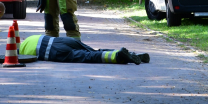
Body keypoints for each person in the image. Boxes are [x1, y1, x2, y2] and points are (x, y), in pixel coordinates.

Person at [17, 34, 150, 64]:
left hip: (58, 52)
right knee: (93, 51)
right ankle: (132, 54)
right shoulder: (29, 38)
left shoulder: (22, 53)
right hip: (65, 40)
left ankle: (118, 56)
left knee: (88, 57)